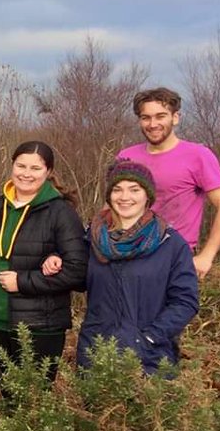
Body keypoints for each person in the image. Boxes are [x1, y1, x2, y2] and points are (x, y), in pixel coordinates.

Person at [0, 141, 87, 381]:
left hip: (40, 327)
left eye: (35, 168)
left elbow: (77, 271)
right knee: (0, 397)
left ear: (48, 172)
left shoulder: (61, 213)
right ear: (12, 166)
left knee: (33, 401)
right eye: (21, 166)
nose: (26, 174)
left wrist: (23, 281)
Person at [77, 160, 199, 375]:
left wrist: (150, 337)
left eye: (134, 189)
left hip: (149, 358)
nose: (125, 197)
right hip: (96, 354)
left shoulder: (170, 243)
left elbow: (185, 302)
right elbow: (75, 279)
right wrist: (54, 259)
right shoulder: (92, 238)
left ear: (147, 195)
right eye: (117, 189)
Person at [119, 87, 220, 279]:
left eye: (160, 116)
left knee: (172, 310)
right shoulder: (126, 157)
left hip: (174, 257)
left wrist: (207, 255)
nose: (153, 124)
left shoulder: (198, 155)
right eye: (145, 117)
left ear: (175, 118)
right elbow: (110, 208)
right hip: (127, 255)